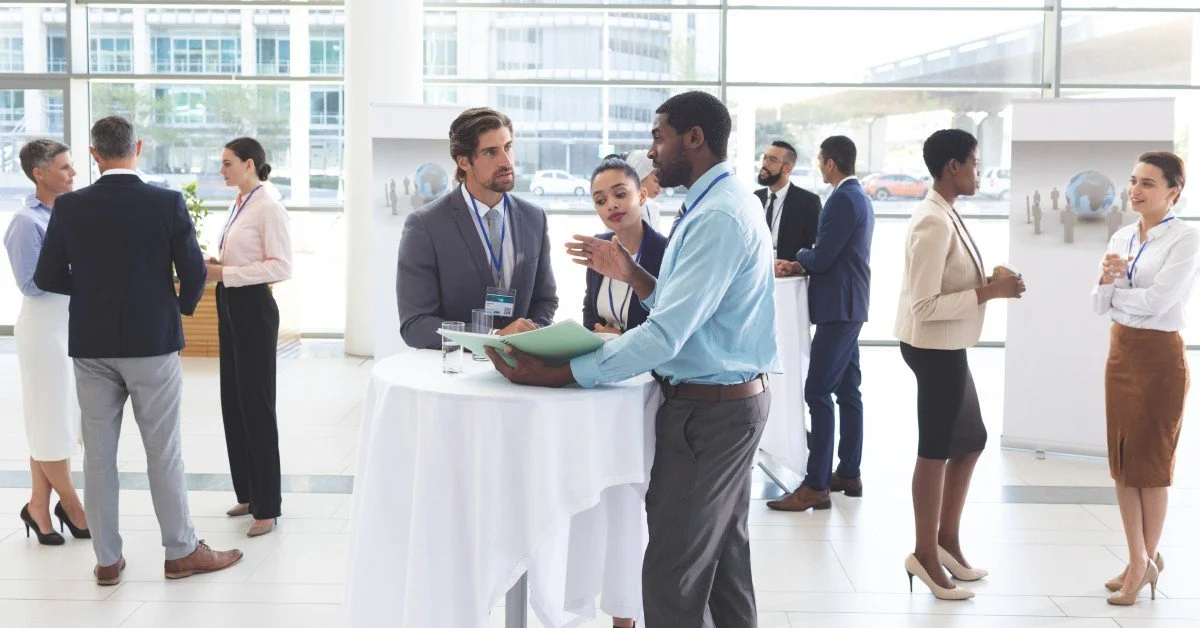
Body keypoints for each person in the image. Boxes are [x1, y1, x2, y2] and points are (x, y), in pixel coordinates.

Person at [487, 91, 778, 628]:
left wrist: (563, 373)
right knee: (721, 565)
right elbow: (688, 310)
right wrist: (632, 274)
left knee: (672, 576)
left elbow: (666, 335)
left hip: (709, 414)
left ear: (694, 138)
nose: (652, 150)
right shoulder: (722, 201)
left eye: (658, 136)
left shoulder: (717, 215)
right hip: (728, 403)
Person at [33, 115, 242, 585]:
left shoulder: (70, 207)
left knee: (100, 456)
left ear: (93, 154)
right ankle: (181, 552)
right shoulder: (165, 202)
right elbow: (193, 272)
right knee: (163, 451)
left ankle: (107, 560)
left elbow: (46, 277)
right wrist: (175, 306)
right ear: (139, 148)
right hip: (153, 342)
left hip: (92, 343)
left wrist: (89, 293)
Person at [894, 129, 1024, 601]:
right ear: (952, 166)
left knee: (972, 439)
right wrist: (990, 292)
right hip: (932, 348)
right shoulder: (933, 221)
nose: (978, 171)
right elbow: (924, 306)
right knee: (935, 448)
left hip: (948, 346)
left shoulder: (946, 213)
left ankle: (946, 540)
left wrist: (991, 281)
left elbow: (946, 285)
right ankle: (924, 554)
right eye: (973, 162)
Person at [1092, 151, 1196, 606]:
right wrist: (1110, 289)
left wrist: (1120, 294)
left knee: (1150, 468)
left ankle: (1142, 562)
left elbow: (1158, 303)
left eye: (1148, 184)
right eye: (1133, 180)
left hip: (1158, 359)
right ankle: (1140, 557)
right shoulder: (1119, 234)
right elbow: (1099, 304)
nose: (1135, 189)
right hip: (1121, 354)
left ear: (1173, 190)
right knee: (1122, 462)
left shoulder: (1185, 238)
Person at [769, 136, 874, 512]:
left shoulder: (844, 199)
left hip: (838, 308)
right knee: (848, 391)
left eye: (820, 159)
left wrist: (796, 255)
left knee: (817, 392)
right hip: (848, 305)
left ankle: (816, 484)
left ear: (830, 163)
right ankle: (847, 472)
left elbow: (824, 255)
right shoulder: (857, 196)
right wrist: (805, 262)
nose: (819, 164)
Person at [397, 107, 557, 349]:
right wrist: (494, 336)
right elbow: (415, 325)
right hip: (457, 371)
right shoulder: (426, 225)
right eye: (491, 152)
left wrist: (530, 335)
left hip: (523, 371)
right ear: (464, 161)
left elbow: (545, 300)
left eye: (508, 147)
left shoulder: (534, 217)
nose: (506, 161)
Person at [207, 137, 293, 538]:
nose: (221, 170)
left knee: (256, 404)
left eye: (227, 163)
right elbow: (242, 257)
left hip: (253, 308)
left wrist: (227, 273)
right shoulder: (240, 203)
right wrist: (219, 265)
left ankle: (268, 505)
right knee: (233, 399)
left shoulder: (268, 206)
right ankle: (248, 492)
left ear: (250, 163)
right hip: (229, 304)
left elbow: (281, 266)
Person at [4, 139, 89, 545]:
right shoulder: (25, 221)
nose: (73, 174)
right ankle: (72, 505)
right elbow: (31, 283)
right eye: (65, 167)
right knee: (50, 417)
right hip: (43, 326)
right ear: (40, 174)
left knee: (55, 419)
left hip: (70, 323)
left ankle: (38, 505)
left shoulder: (71, 213)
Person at [582, 156, 668, 337]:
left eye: (620, 194)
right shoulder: (599, 246)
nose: (611, 205)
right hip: (601, 360)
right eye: (600, 201)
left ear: (642, 196)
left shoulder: (665, 252)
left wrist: (619, 340)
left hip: (645, 363)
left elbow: (668, 326)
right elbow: (590, 315)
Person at [753, 140, 820, 263]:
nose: (764, 164)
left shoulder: (808, 202)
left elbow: (815, 249)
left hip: (790, 278)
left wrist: (794, 266)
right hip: (757, 273)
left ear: (787, 168)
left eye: (772, 160)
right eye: (765, 158)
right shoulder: (755, 198)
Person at [623, 149, 663, 228]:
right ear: (639, 177)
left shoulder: (653, 207)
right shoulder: (624, 210)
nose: (660, 186)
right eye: (656, 181)